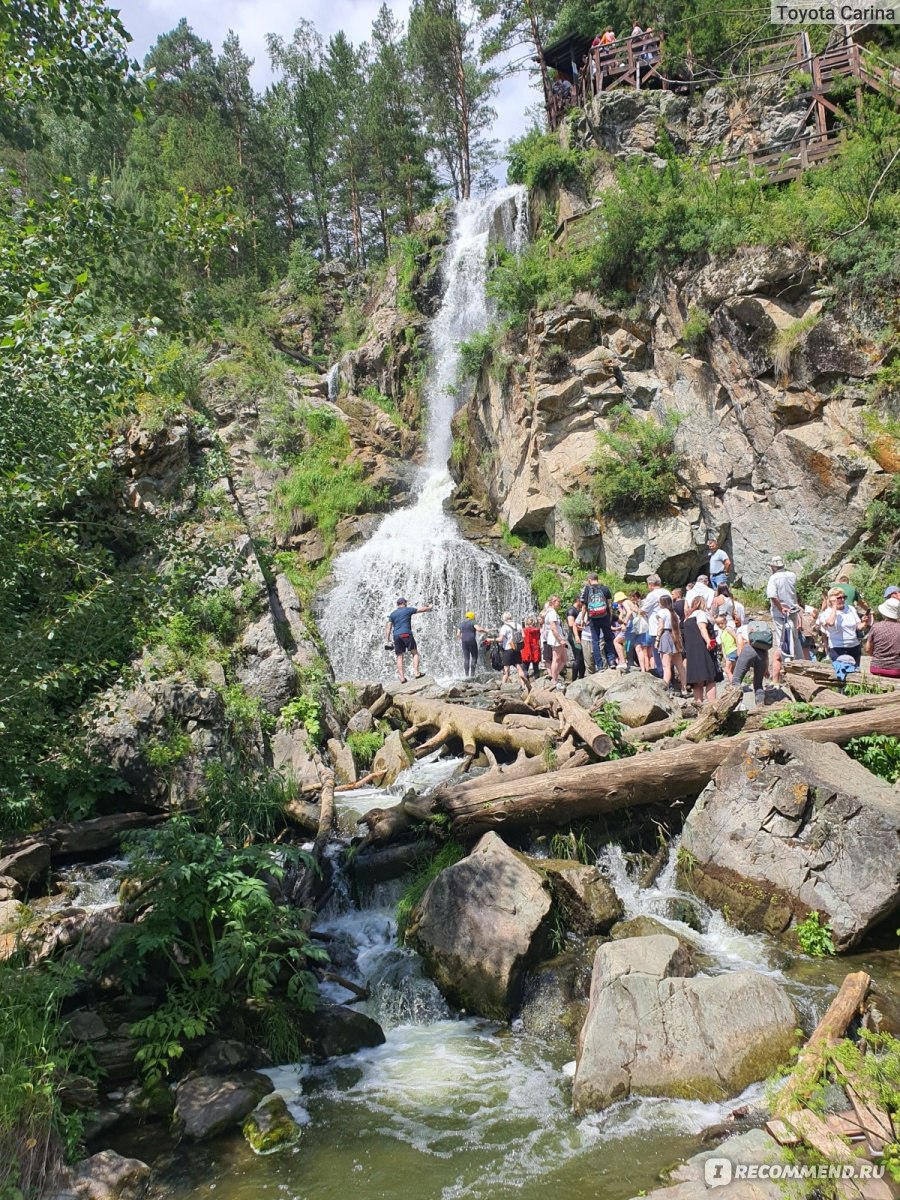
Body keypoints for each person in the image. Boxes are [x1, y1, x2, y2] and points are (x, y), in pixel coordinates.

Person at [385, 597, 433, 684]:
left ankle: (402, 678)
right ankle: (416, 673)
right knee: (414, 652)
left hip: (396, 636)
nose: (406, 604)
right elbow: (421, 609)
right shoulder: (407, 610)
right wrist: (429, 607)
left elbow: (388, 627)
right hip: (406, 634)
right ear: (404, 603)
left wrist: (388, 639)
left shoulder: (392, 614)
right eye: (406, 602)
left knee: (399, 656)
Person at [682, 596, 717, 703]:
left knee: (697, 681)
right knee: (710, 678)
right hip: (702, 649)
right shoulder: (700, 614)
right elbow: (702, 628)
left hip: (691, 651)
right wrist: (709, 641)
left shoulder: (687, 618)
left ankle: (699, 708)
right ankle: (713, 705)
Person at [733, 616, 774, 707]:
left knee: (736, 680)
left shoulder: (742, 628)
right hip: (762, 653)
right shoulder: (761, 632)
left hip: (748, 650)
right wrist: (766, 669)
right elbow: (766, 653)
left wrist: (741, 659)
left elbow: (740, 643)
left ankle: (736, 705)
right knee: (758, 684)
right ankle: (760, 705)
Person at [817, 588, 862, 666]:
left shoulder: (850, 609)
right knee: (840, 671)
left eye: (844, 597)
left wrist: (866, 622)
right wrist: (834, 606)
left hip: (854, 645)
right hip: (837, 647)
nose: (842, 600)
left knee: (855, 671)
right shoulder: (827, 612)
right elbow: (830, 622)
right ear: (832, 599)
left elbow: (859, 626)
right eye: (839, 598)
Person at [766, 556, 801, 658]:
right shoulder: (792, 575)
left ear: (773, 567)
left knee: (782, 638)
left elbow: (772, 596)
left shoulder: (773, 578)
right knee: (795, 637)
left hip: (780, 612)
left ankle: (786, 661)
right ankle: (800, 659)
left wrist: (781, 608)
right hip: (793, 610)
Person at [581, 572, 616, 672]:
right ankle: (612, 661)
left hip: (593, 618)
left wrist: (583, 619)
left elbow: (584, 607)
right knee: (608, 639)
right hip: (604, 616)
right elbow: (609, 605)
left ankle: (600, 666)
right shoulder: (605, 588)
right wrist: (610, 617)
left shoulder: (587, 589)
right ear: (597, 578)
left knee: (595, 641)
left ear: (589, 579)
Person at [492, 610, 530, 692]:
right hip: (517, 649)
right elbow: (523, 635)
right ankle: (523, 685)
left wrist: (491, 640)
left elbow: (500, 639)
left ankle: (502, 686)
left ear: (503, 619)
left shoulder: (504, 627)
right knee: (519, 668)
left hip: (508, 650)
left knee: (506, 669)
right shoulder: (518, 625)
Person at [866, 597, 900, 678]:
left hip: (876, 667)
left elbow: (868, 649)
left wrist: (877, 656)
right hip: (896, 669)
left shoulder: (876, 627)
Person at [656, 594, 682, 694]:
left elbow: (661, 626)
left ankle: (665, 687)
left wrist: (657, 639)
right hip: (675, 635)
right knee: (679, 666)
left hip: (666, 635)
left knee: (666, 666)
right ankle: (683, 689)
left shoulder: (662, 612)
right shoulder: (674, 613)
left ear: (662, 603)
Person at [543, 595, 568, 686]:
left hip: (557, 637)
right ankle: (554, 680)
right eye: (559, 601)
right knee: (556, 659)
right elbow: (553, 628)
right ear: (553, 602)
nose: (560, 603)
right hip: (556, 639)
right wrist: (560, 640)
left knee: (564, 659)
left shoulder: (551, 612)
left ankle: (554, 675)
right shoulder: (552, 613)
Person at [457, 610, 487, 679]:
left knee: (466, 658)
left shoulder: (461, 623)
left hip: (464, 642)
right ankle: (472, 675)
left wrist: (463, 637)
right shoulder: (472, 621)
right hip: (471, 641)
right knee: (474, 657)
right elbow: (478, 629)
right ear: (472, 616)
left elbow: (458, 634)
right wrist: (486, 630)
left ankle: (466, 675)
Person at [567, 598, 587, 681]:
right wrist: (583, 628)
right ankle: (573, 680)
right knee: (578, 658)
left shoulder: (577, 610)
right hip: (574, 636)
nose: (582, 603)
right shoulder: (571, 611)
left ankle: (581, 677)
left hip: (579, 636)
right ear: (577, 601)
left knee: (582, 658)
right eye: (581, 602)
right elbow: (571, 624)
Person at [715, 614, 738, 682]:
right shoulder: (722, 633)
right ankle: (734, 682)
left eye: (722, 623)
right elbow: (723, 645)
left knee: (727, 670)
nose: (720, 625)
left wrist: (739, 648)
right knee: (731, 670)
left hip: (733, 650)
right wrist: (724, 655)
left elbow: (736, 637)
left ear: (726, 622)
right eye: (718, 624)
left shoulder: (728, 629)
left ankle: (734, 685)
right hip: (728, 652)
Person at [521, 614, 542, 680]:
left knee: (525, 668)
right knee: (536, 667)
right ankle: (537, 681)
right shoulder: (537, 630)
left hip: (526, 650)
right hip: (535, 649)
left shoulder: (524, 630)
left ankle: (526, 682)